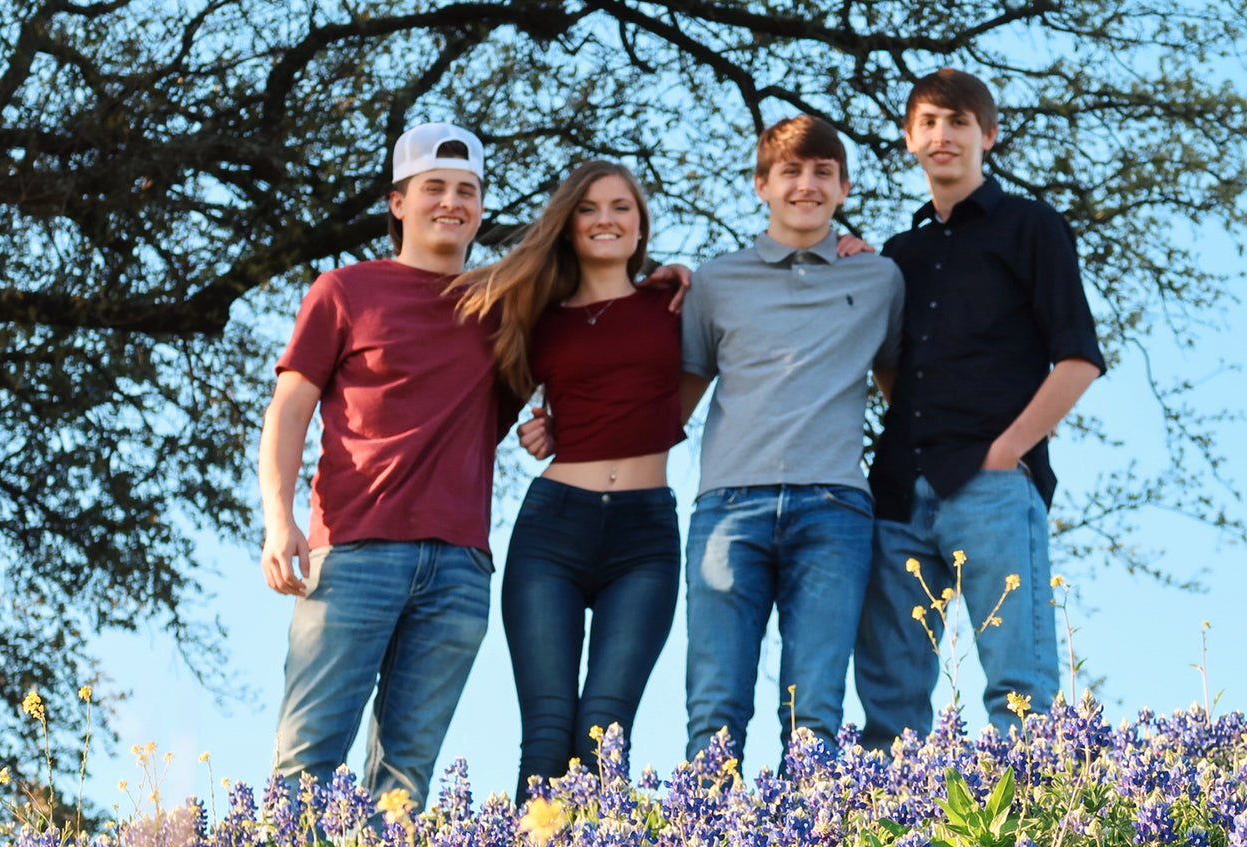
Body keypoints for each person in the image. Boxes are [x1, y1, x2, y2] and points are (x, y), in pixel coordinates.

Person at [258, 121, 515, 808]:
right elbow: (288, 409)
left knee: (404, 780)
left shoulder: (502, 304)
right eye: (433, 187)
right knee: (307, 759)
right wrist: (278, 521)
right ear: (398, 202)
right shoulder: (343, 291)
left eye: (467, 190)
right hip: (353, 556)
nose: (451, 203)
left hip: (460, 568)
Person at [855, 68, 1107, 744]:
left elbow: (1078, 359)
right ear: (908, 138)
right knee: (888, 703)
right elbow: (887, 362)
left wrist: (1004, 452)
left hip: (990, 488)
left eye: (958, 122)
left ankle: (1029, 843)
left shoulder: (1030, 226)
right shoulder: (897, 254)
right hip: (897, 493)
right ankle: (890, 842)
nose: (942, 135)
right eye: (928, 123)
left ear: (987, 135)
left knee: (1019, 692)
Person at [679, 115, 905, 767]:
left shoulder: (878, 279)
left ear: (843, 188)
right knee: (715, 706)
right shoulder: (714, 281)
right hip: (727, 508)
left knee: (815, 712)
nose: (806, 185)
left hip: (833, 510)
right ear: (760, 185)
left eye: (822, 173)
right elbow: (677, 397)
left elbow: (901, 391)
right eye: (790, 172)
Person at [456, 161, 686, 802]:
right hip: (554, 529)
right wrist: (543, 428)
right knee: (548, 734)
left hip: (645, 536)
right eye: (589, 209)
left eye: (621, 207)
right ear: (567, 225)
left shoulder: (674, 302)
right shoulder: (536, 316)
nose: (606, 220)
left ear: (641, 226)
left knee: (605, 734)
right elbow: (481, 405)